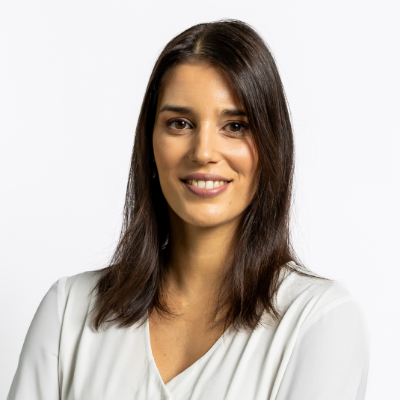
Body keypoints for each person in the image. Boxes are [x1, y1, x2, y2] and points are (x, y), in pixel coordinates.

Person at [7, 19, 370, 400]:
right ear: (150, 144)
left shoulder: (321, 322)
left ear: (271, 146)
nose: (204, 152)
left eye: (235, 126)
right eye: (180, 124)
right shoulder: (68, 311)